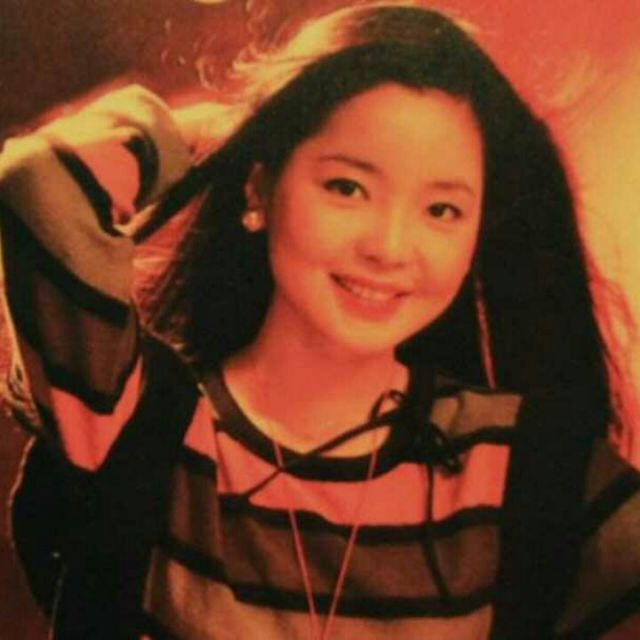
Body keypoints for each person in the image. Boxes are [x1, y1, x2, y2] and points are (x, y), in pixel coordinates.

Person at [1, 2, 639, 639]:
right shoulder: (139, 423)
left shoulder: (531, 467)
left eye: (442, 210)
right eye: (346, 187)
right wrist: (232, 127)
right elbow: (35, 182)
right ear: (259, 191)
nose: (390, 247)